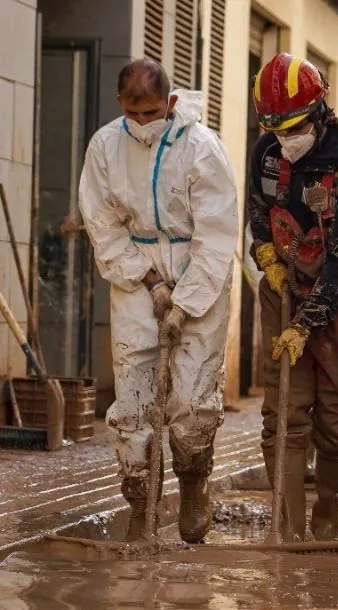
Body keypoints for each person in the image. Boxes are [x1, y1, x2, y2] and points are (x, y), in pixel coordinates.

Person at [79, 59, 238, 543]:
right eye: (134, 112)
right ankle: (140, 503)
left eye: (152, 111)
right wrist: (149, 282)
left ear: (169, 102)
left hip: (199, 275)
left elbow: (217, 235)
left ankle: (193, 485)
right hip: (135, 277)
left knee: (191, 398)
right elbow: (102, 224)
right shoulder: (105, 146)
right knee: (133, 400)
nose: (144, 121)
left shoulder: (202, 149)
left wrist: (185, 302)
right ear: (120, 104)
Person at [247, 53, 338, 542]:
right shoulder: (266, 152)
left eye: (295, 126)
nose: (287, 140)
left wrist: (306, 324)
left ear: (320, 111)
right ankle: (288, 521)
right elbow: (259, 213)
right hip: (285, 285)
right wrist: (267, 256)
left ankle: (328, 502)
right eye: (276, 128)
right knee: (283, 408)